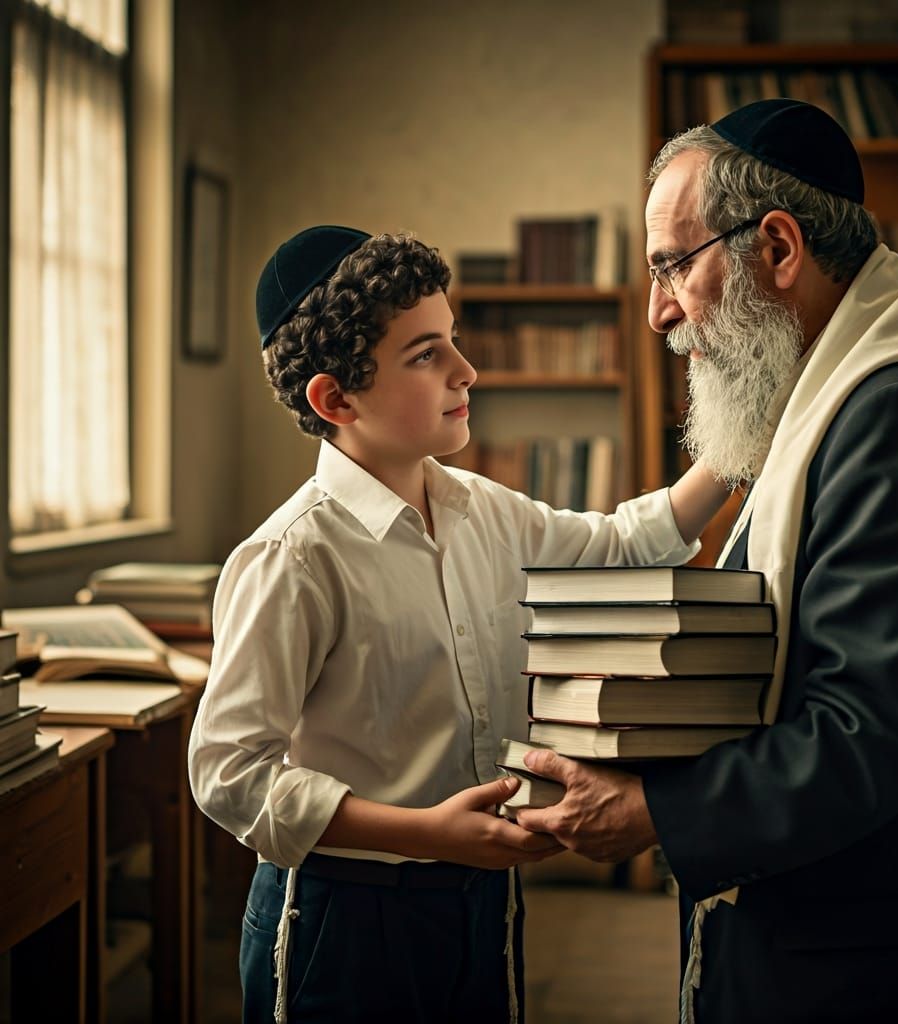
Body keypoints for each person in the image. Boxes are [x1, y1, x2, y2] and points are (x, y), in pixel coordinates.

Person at [514, 98, 898, 1024]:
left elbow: (868, 733)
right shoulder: (824, 406)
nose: (662, 310)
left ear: (778, 248)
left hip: (874, 965)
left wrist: (652, 814)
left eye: (673, 265)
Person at [187, 225, 732, 1024]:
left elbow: (620, 543)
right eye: (425, 355)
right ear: (336, 400)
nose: (465, 371)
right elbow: (229, 774)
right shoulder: (292, 558)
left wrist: (739, 439)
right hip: (343, 919)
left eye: (454, 341)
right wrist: (426, 833)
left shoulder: (482, 509)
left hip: (482, 902)